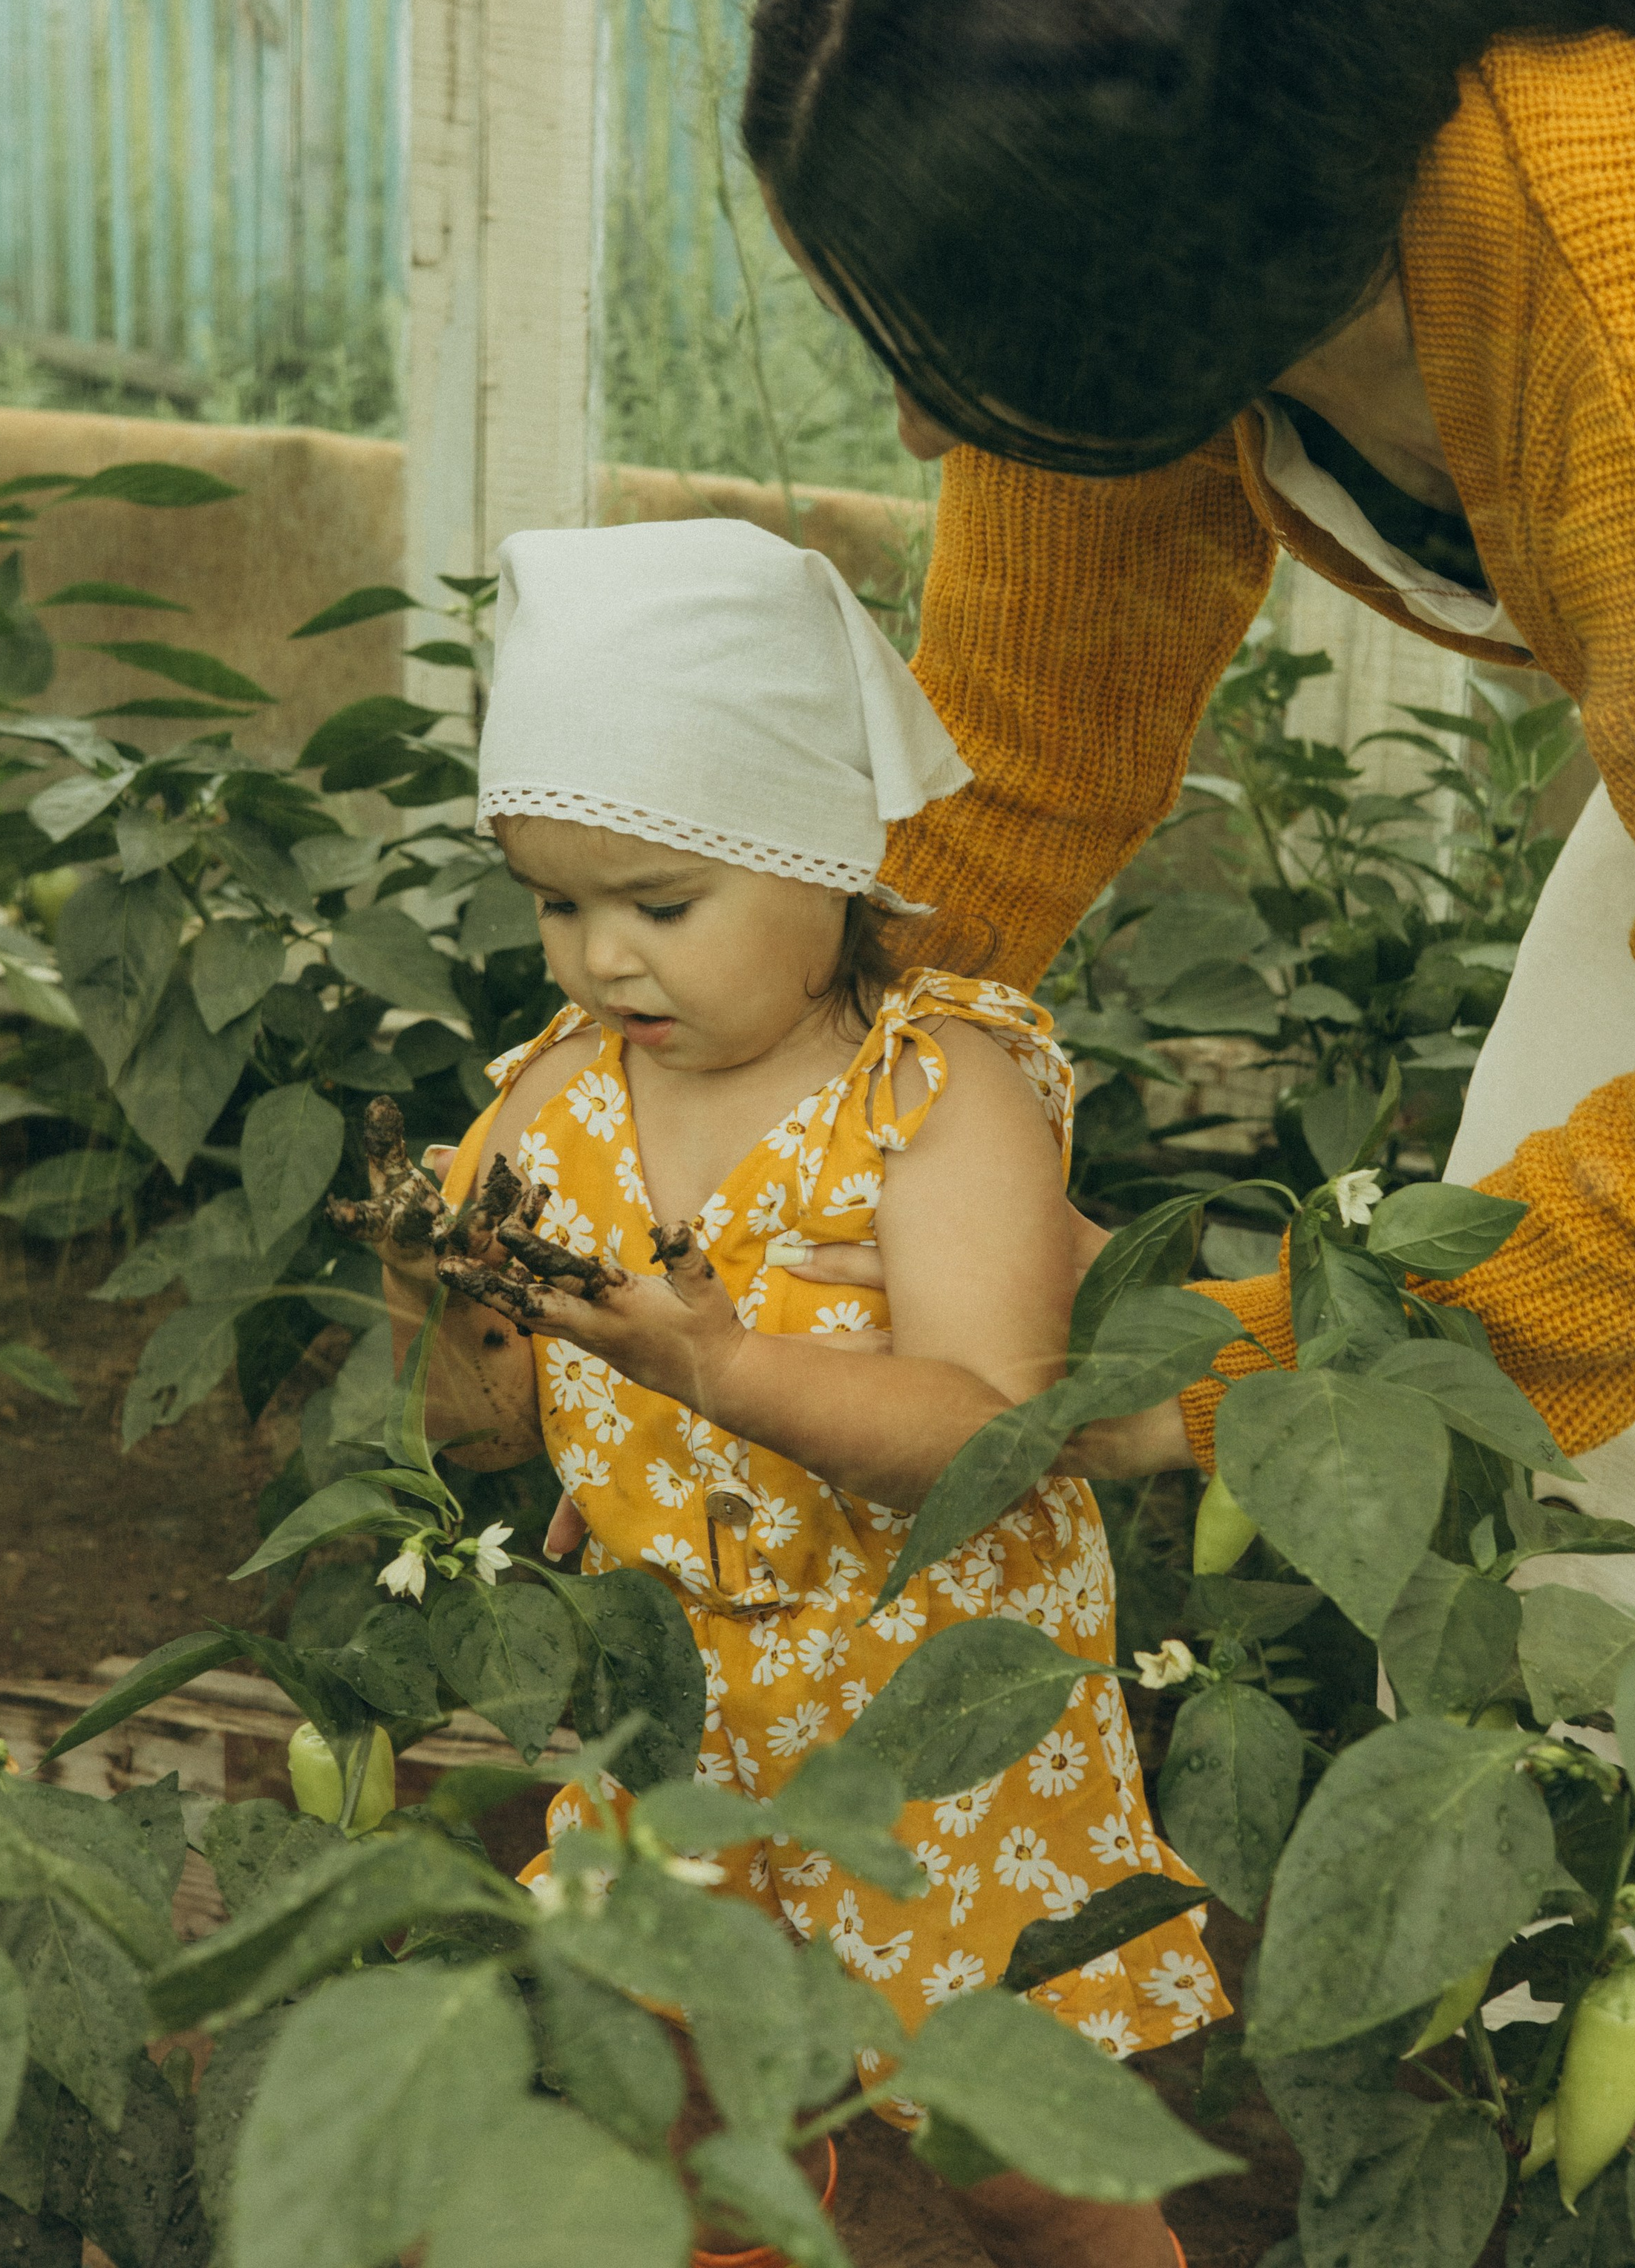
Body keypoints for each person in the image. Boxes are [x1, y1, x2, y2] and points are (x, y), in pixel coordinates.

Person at [741, 0, 1635, 2110]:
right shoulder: (1195, 123)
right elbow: (1018, 768)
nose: (921, 428)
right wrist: (747, 1093)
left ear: (1187, 293)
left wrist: (1144, 1405)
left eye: (947, 363)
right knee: (1590, 1444)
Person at [378, 517, 1217, 2268]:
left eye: (656, 904)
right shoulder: (545, 1105)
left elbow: (992, 1433)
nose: (600, 960)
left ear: (822, 862)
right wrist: (442, 1313)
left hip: (926, 1722)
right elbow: (481, 1437)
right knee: (659, 2112)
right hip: (672, 1709)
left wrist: (716, 1365)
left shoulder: (934, 1095)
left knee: (1019, 2157)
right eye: (555, 901)